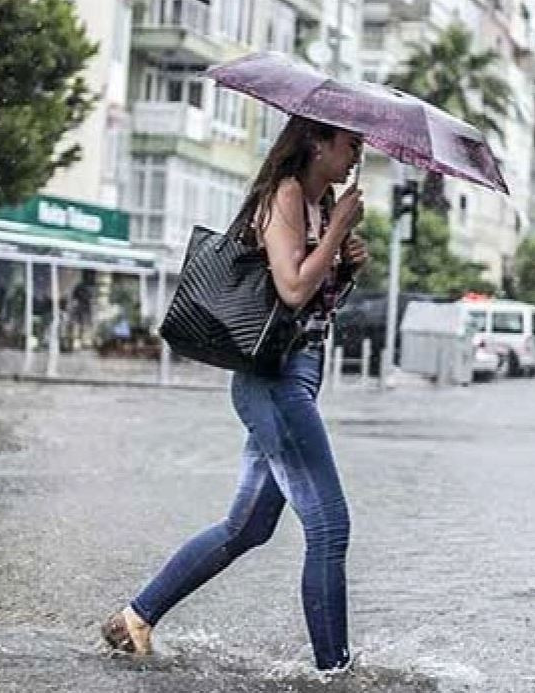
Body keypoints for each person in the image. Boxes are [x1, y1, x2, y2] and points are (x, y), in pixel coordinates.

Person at [101, 115, 369, 673]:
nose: (356, 157)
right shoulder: (286, 196)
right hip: (273, 381)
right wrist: (339, 232)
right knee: (329, 526)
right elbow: (291, 289)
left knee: (249, 526)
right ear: (316, 141)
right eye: (350, 144)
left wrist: (345, 270)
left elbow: (316, 304)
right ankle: (334, 673)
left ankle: (136, 617)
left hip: (299, 373)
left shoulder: (319, 204)